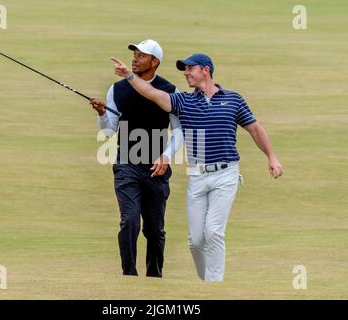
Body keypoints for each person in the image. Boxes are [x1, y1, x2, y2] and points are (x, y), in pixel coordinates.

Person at [111, 53, 283, 282]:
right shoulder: (184, 101)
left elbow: (255, 129)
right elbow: (152, 93)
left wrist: (271, 156)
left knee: (213, 232)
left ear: (205, 70)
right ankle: (205, 284)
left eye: (190, 69)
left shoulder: (233, 100)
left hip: (226, 173)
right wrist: (130, 76)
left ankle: (214, 287)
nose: (186, 73)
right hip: (197, 176)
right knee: (196, 241)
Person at [90, 40, 183, 277]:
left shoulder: (170, 91)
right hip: (126, 164)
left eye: (142, 56)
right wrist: (102, 113)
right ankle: (129, 276)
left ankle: (154, 276)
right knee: (130, 222)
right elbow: (109, 132)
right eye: (135, 54)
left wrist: (166, 156)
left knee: (154, 230)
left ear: (155, 62)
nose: (135, 58)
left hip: (156, 168)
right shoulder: (117, 90)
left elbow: (180, 131)